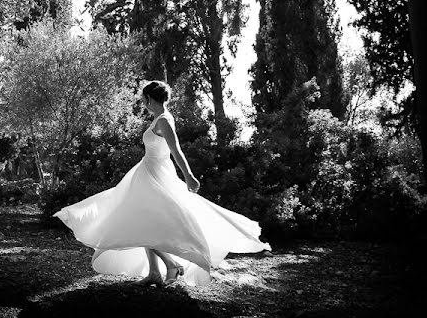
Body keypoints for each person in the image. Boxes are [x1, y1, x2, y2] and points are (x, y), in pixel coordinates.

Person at [54, 80, 271, 287]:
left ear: (149, 98)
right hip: (146, 172)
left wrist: (188, 176)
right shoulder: (159, 119)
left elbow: (176, 150)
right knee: (144, 220)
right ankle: (156, 272)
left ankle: (170, 265)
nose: (142, 103)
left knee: (145, 221)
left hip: (156, 175)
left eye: (143, 99)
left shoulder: (164, 120)